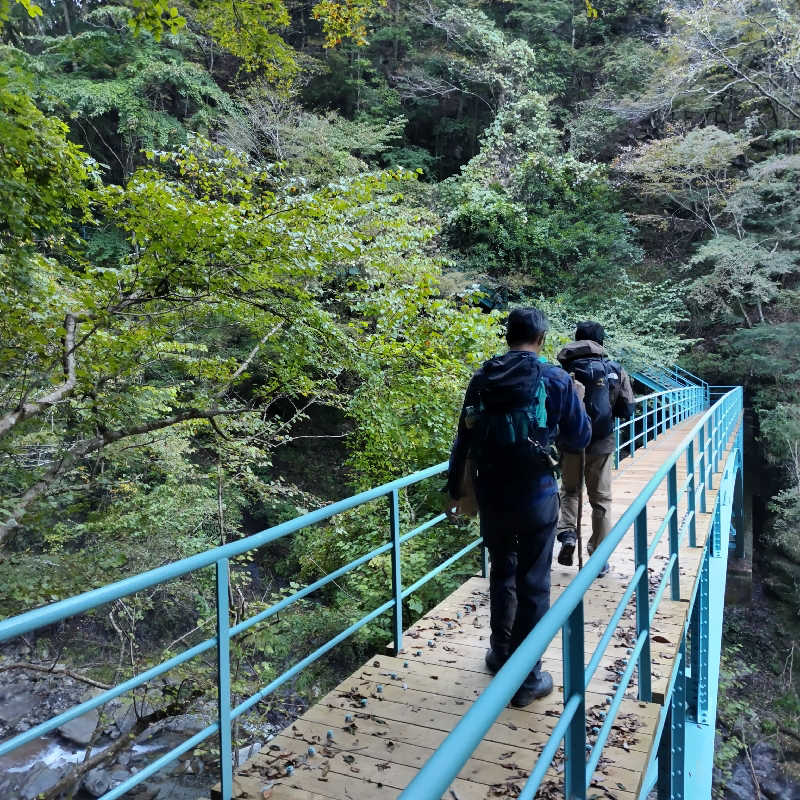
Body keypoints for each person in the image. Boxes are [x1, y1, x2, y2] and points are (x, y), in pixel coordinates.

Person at [447, 308, 591, 707]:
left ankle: (499, 653)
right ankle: (527, 678)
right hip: (536, 495)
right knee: (534, 581)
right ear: (541, 339)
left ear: (508, 336)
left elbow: (464, 436)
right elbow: (579, 438)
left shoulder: (483, 377)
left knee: (502, 572)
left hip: (491, 493)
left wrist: (454, 490)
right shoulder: (557, 379)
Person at [555, 321, 635, 576]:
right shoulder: (613, 370)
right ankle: (599, 557)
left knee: (569, 491)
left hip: (570, 443)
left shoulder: (563, 370)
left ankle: (568, 533)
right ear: (601, 342)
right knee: (601, 499)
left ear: (577, 339)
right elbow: (627, 408)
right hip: (601, 444)